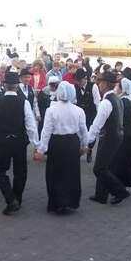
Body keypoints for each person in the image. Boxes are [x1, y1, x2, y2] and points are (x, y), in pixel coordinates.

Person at [0, 72, 40, 215]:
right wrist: (37, 146)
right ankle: (17, 199)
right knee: (20, 172)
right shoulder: (24, 102)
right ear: (17, 87)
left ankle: (10, 199)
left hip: (2, 141)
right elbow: (31, 126)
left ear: (4, 86)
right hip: (19, 141)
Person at [34, 81, 88, 214]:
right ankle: (71, 200)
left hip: (57, 143)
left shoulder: (51, 110)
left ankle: (57, 202)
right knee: (71, 173)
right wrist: (84, 145)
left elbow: (46, 131)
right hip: (72, 142)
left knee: (55, 173)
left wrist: (41, 150)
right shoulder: (78, 110)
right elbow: (83, 130)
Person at [87, 72, 130, 205]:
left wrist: (88, 140)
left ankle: (120, 191)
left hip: (110, 136)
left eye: (100, 82)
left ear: (105, 84)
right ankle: (101, 195)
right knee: (105, 166)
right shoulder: (116, 98)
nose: (98, 84)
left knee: (99, 168)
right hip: (116, 135)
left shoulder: (106, 102)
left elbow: (97, 124)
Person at [74, 68, 100, 163]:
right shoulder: (74, 87)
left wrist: (98, 115)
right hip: (79, 115)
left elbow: (97, 102)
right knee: (77, 133)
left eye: (80, 80)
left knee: (90, 133)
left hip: (91, 113)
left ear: (85, 78)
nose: (78, 82)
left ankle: (89, 151)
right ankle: (79, 151)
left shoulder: (93, 86)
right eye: (77, 80)